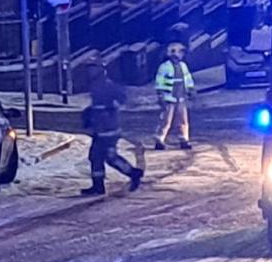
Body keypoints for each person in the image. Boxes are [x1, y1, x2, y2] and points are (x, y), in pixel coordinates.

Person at [81, 61, 143, 195]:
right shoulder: (96, 85)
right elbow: (97, 107)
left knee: (110, 157)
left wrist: (107, 109)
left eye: (92, 69)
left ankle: (133, 173)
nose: (89, 72)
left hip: (108, 130)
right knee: (95, 157)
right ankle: (98, 186)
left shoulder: (106, 85)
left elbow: (121, 99)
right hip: (101, 130)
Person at [154, 42, 195, 150]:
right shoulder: (164, 67)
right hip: (169, 98)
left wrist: (190, 90)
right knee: (166, 121)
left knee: (183, 120)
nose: (182, 55)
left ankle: (184, 139)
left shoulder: (183, 66)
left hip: (180, 97)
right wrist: (161, 95)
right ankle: (159, 139)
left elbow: (187, 78)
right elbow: (159, 82)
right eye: (180, 52)